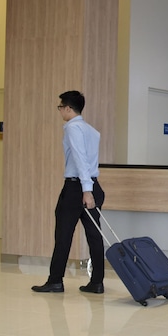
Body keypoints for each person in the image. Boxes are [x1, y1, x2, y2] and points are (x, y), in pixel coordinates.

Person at [32, 91, 107, 294]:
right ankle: (97, 282)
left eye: (60, 107)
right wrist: (90, 188)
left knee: (63, 235)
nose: (60, 111)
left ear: (67, 108)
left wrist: (86, 190)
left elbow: (80, 159)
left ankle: (55, 280)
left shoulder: (72, 128)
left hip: (77, 188)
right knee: (94, 235)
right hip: (93, 185)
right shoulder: (92, 131)